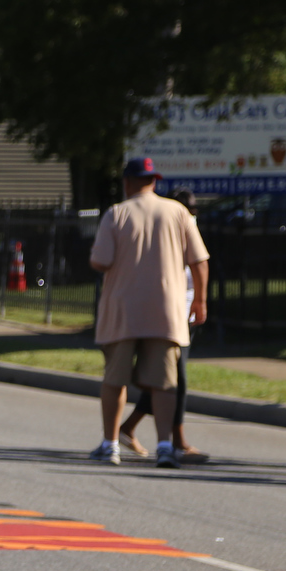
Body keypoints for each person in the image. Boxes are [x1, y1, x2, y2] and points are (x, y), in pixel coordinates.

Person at [89, 157, 209, 467]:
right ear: (153, 181)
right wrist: (200, 300)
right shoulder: (178, 212)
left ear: (127, 182)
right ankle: (166, 446)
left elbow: (100, 261)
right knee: (164, 382)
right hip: (166, 310)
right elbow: (200, 261)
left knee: (116, 380)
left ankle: (110, 443)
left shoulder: (116, 214)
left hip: (123, 308)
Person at [119, 187, 206, 461]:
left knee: (168, 378)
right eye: (188, 209)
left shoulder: (184, 225)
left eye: (194, 209)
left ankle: (129, 426)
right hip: (172, 312)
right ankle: (176, 440)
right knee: (174, 379)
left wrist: (199, 302)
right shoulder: (175, 228)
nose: (192, 214)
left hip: (184, 311)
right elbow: (196, 265)